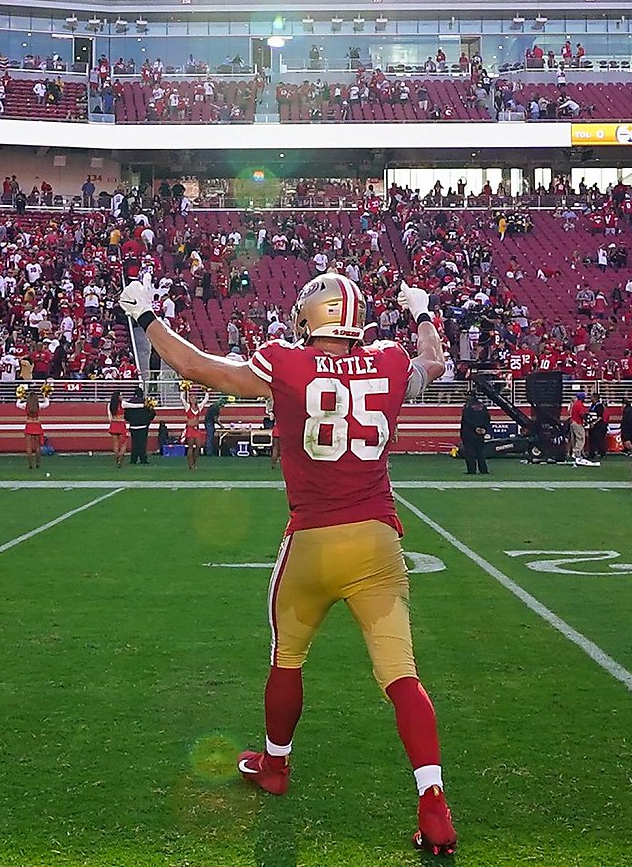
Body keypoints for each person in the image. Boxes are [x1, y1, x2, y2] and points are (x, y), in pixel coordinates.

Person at [118, 271, 457, 857]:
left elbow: (200, 368)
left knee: (288, 656)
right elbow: (435, 361)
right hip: (377, 540)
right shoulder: (394, 359)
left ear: (310, 318)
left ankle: (275, 766)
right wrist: (423, 311)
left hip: (312, 542)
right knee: (402, 678)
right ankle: (434, 804)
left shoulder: (286, 361)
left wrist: (147, 318)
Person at [458, 385, 491, 475]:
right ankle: (483, 470)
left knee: (470, 452)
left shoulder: (468, 406)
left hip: (469, 433)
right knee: (480, 452)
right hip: (480, 433)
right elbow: (487, 418)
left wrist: (476, 428)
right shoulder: (482, 406)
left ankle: (471, 470)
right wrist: (483, 428)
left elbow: (466, 419)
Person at [20, 382, 47, 470]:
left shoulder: (25, 405)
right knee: (37, 446)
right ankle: (38, 463)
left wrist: (20, 396)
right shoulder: (38, 405)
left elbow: (17, 404)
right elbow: (47, 403)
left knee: (29, 447)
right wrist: (45, 395)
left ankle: (30, 465)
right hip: (37, 425)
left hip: (29, 425)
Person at [125, 390, 156, 465]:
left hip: (133, 426)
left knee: (134, 443)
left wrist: (131, 420)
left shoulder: (129, 402)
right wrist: (147, 421)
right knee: (142, 444)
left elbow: (126, 415)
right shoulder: (146, 402)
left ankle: (133, 459)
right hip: (143, 426)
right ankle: (143, 459)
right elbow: (152, 413)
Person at [107, 387, 131, 468]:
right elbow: (133, 406)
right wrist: (144, 405)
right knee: (124, 443)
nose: (122, 396)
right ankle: (121, 457)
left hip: (113, 424)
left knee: (115, 444)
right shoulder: (122, 404)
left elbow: (109, 417)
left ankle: (117, 458)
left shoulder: (110, 405)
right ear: (118, 396)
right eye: (121, 395)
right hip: (121, 424)